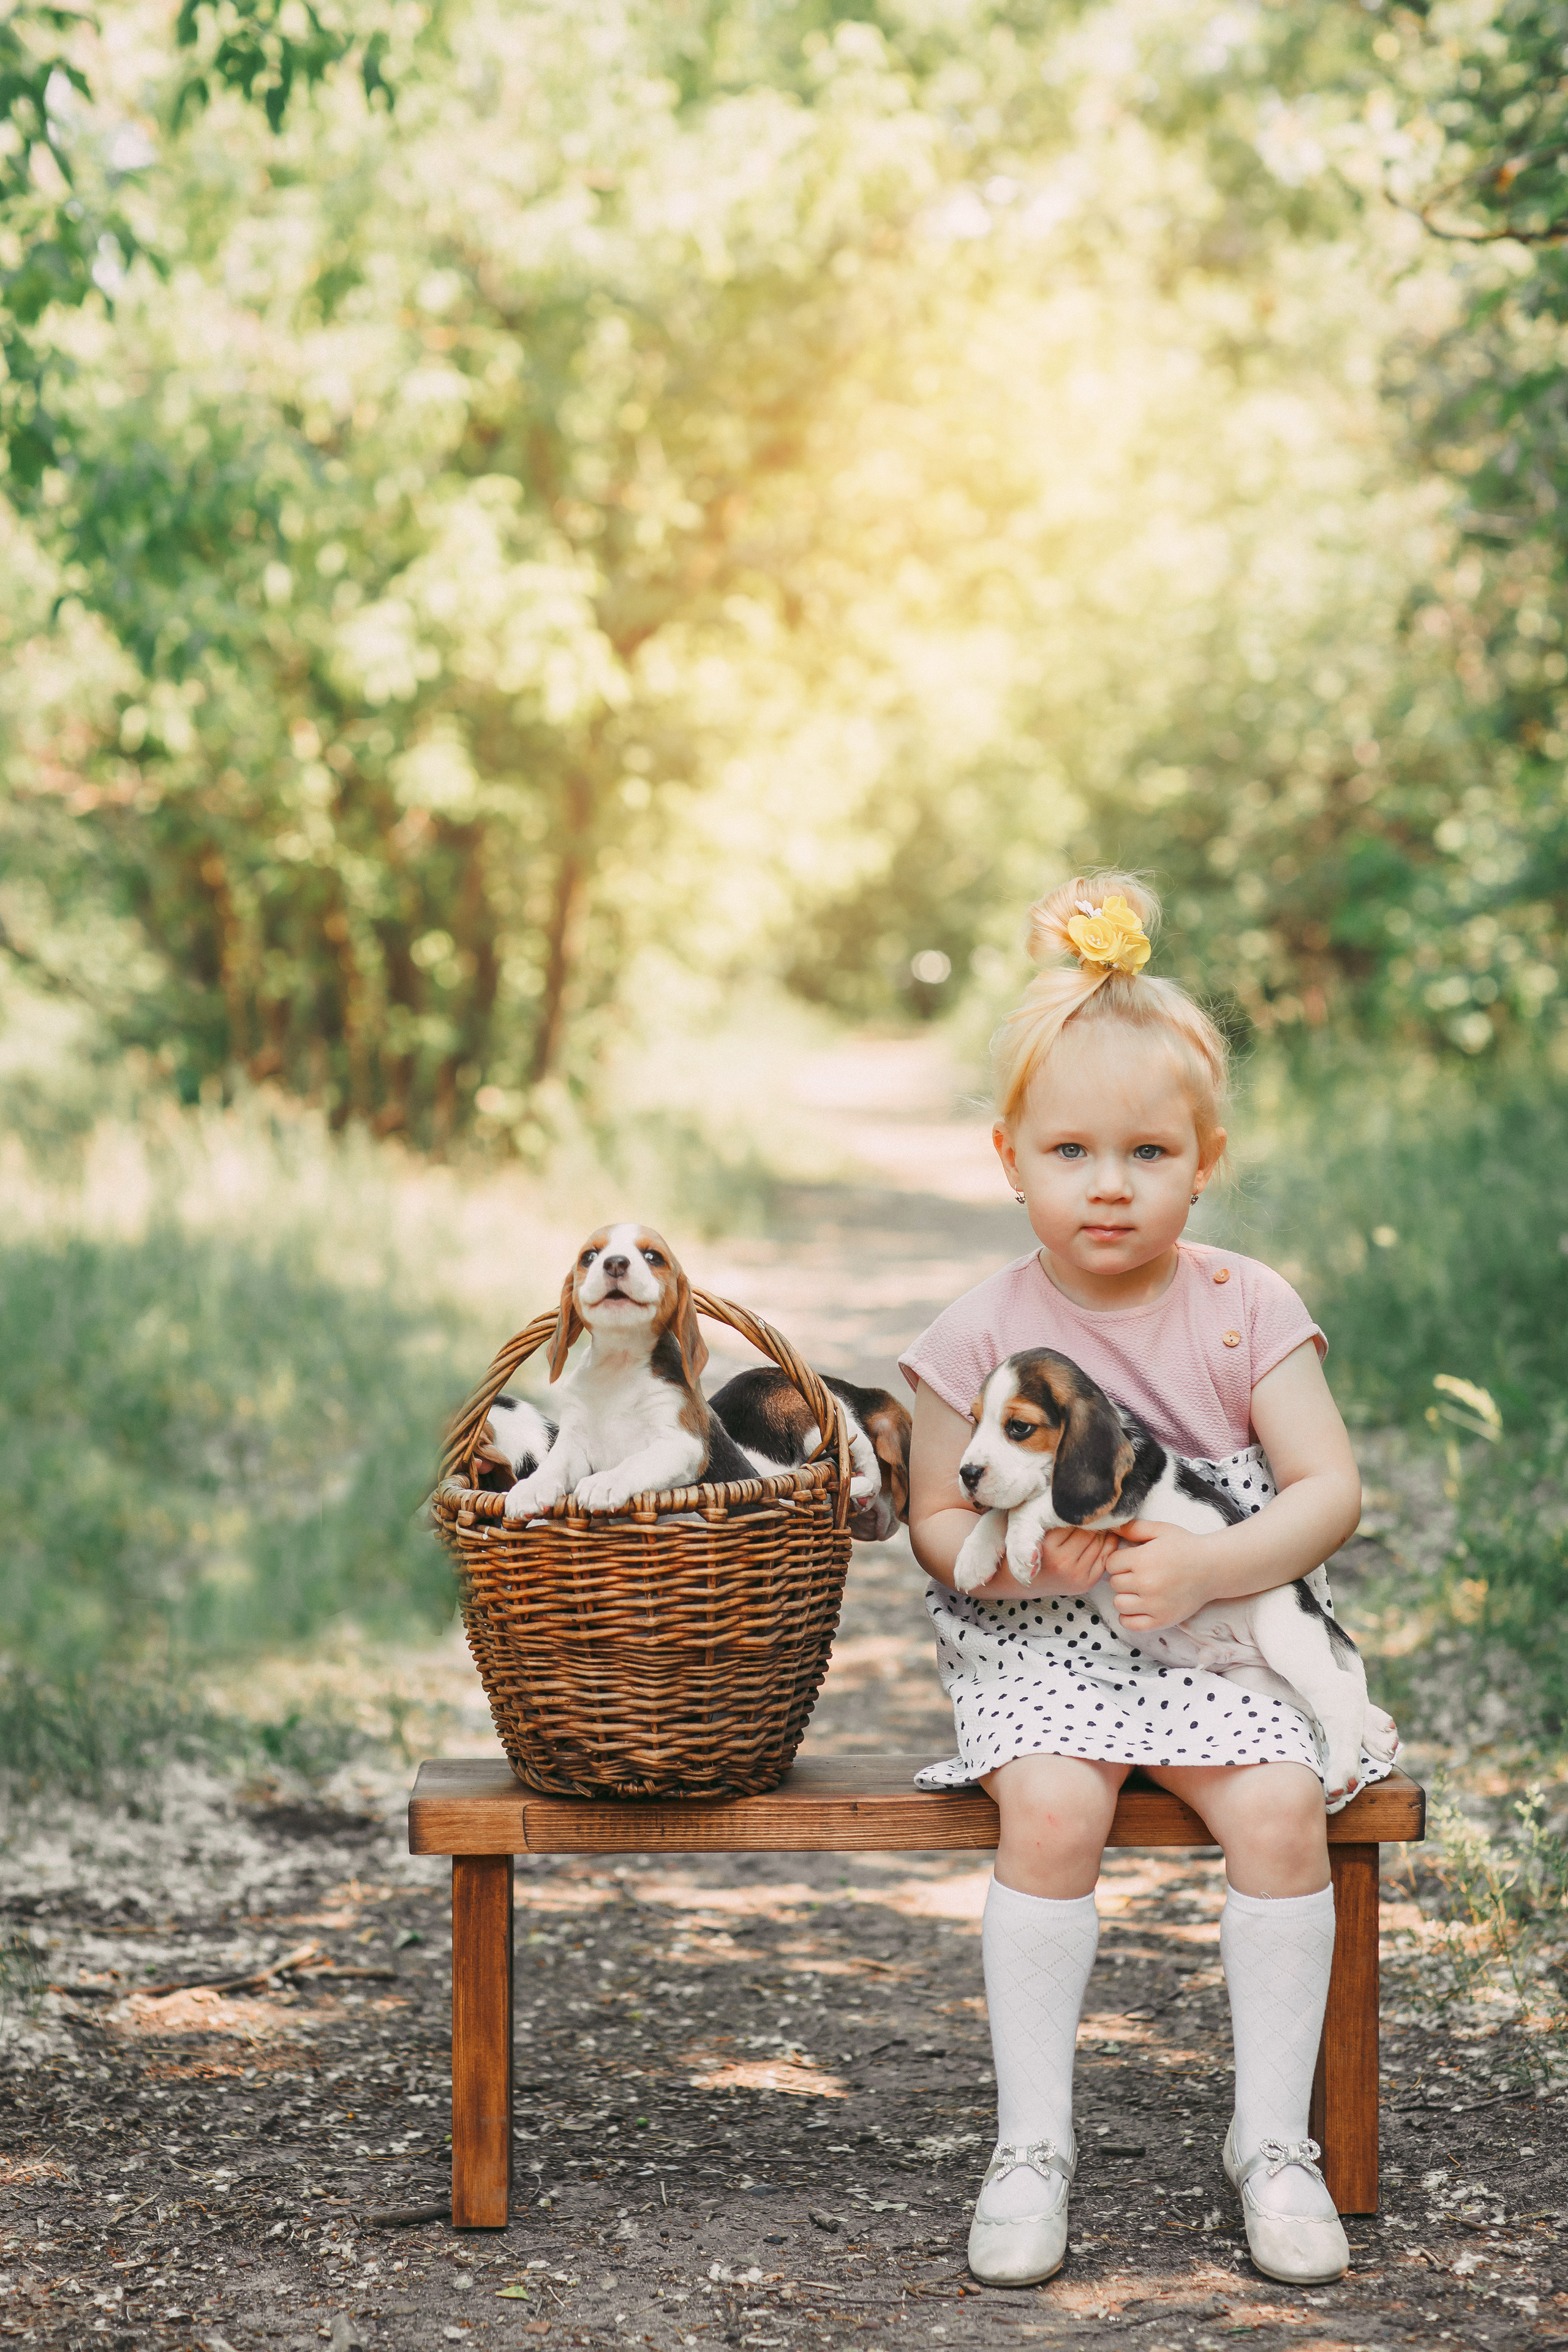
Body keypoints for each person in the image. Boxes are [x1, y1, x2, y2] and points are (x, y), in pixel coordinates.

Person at [902, 873, 1390, 2291]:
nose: (1105, 1184)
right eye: (1067, 1150)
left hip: (1209, 1627)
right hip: (1039, 1643)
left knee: (1284, 1808)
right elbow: (937, 1519)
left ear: (1203, 1157)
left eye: (1145, 1152)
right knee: (1052, 1808)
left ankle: (1269, 2145)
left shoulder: (1246, 1309)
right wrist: (998, 1576)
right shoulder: (975, 1328)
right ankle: (1031, 2147)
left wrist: (1212, 1564)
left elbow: (1326, 1493)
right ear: (1008, 1158)